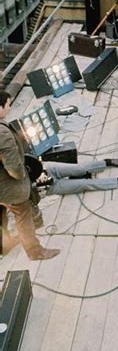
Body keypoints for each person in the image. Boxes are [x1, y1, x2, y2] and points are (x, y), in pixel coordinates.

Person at [0, 90, 60, 260]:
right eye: (8, 104)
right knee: (23, 215)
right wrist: (23, 176)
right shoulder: (2, 133)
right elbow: (14, 168)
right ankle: (35, 251)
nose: (10, 107)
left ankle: (6, 244)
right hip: (7, 187)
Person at [32, 159, 118, 195]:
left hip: (45, 169)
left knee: (79, 169)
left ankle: (106, 162)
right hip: (46, 188)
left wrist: (40, 171)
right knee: (83, 184)